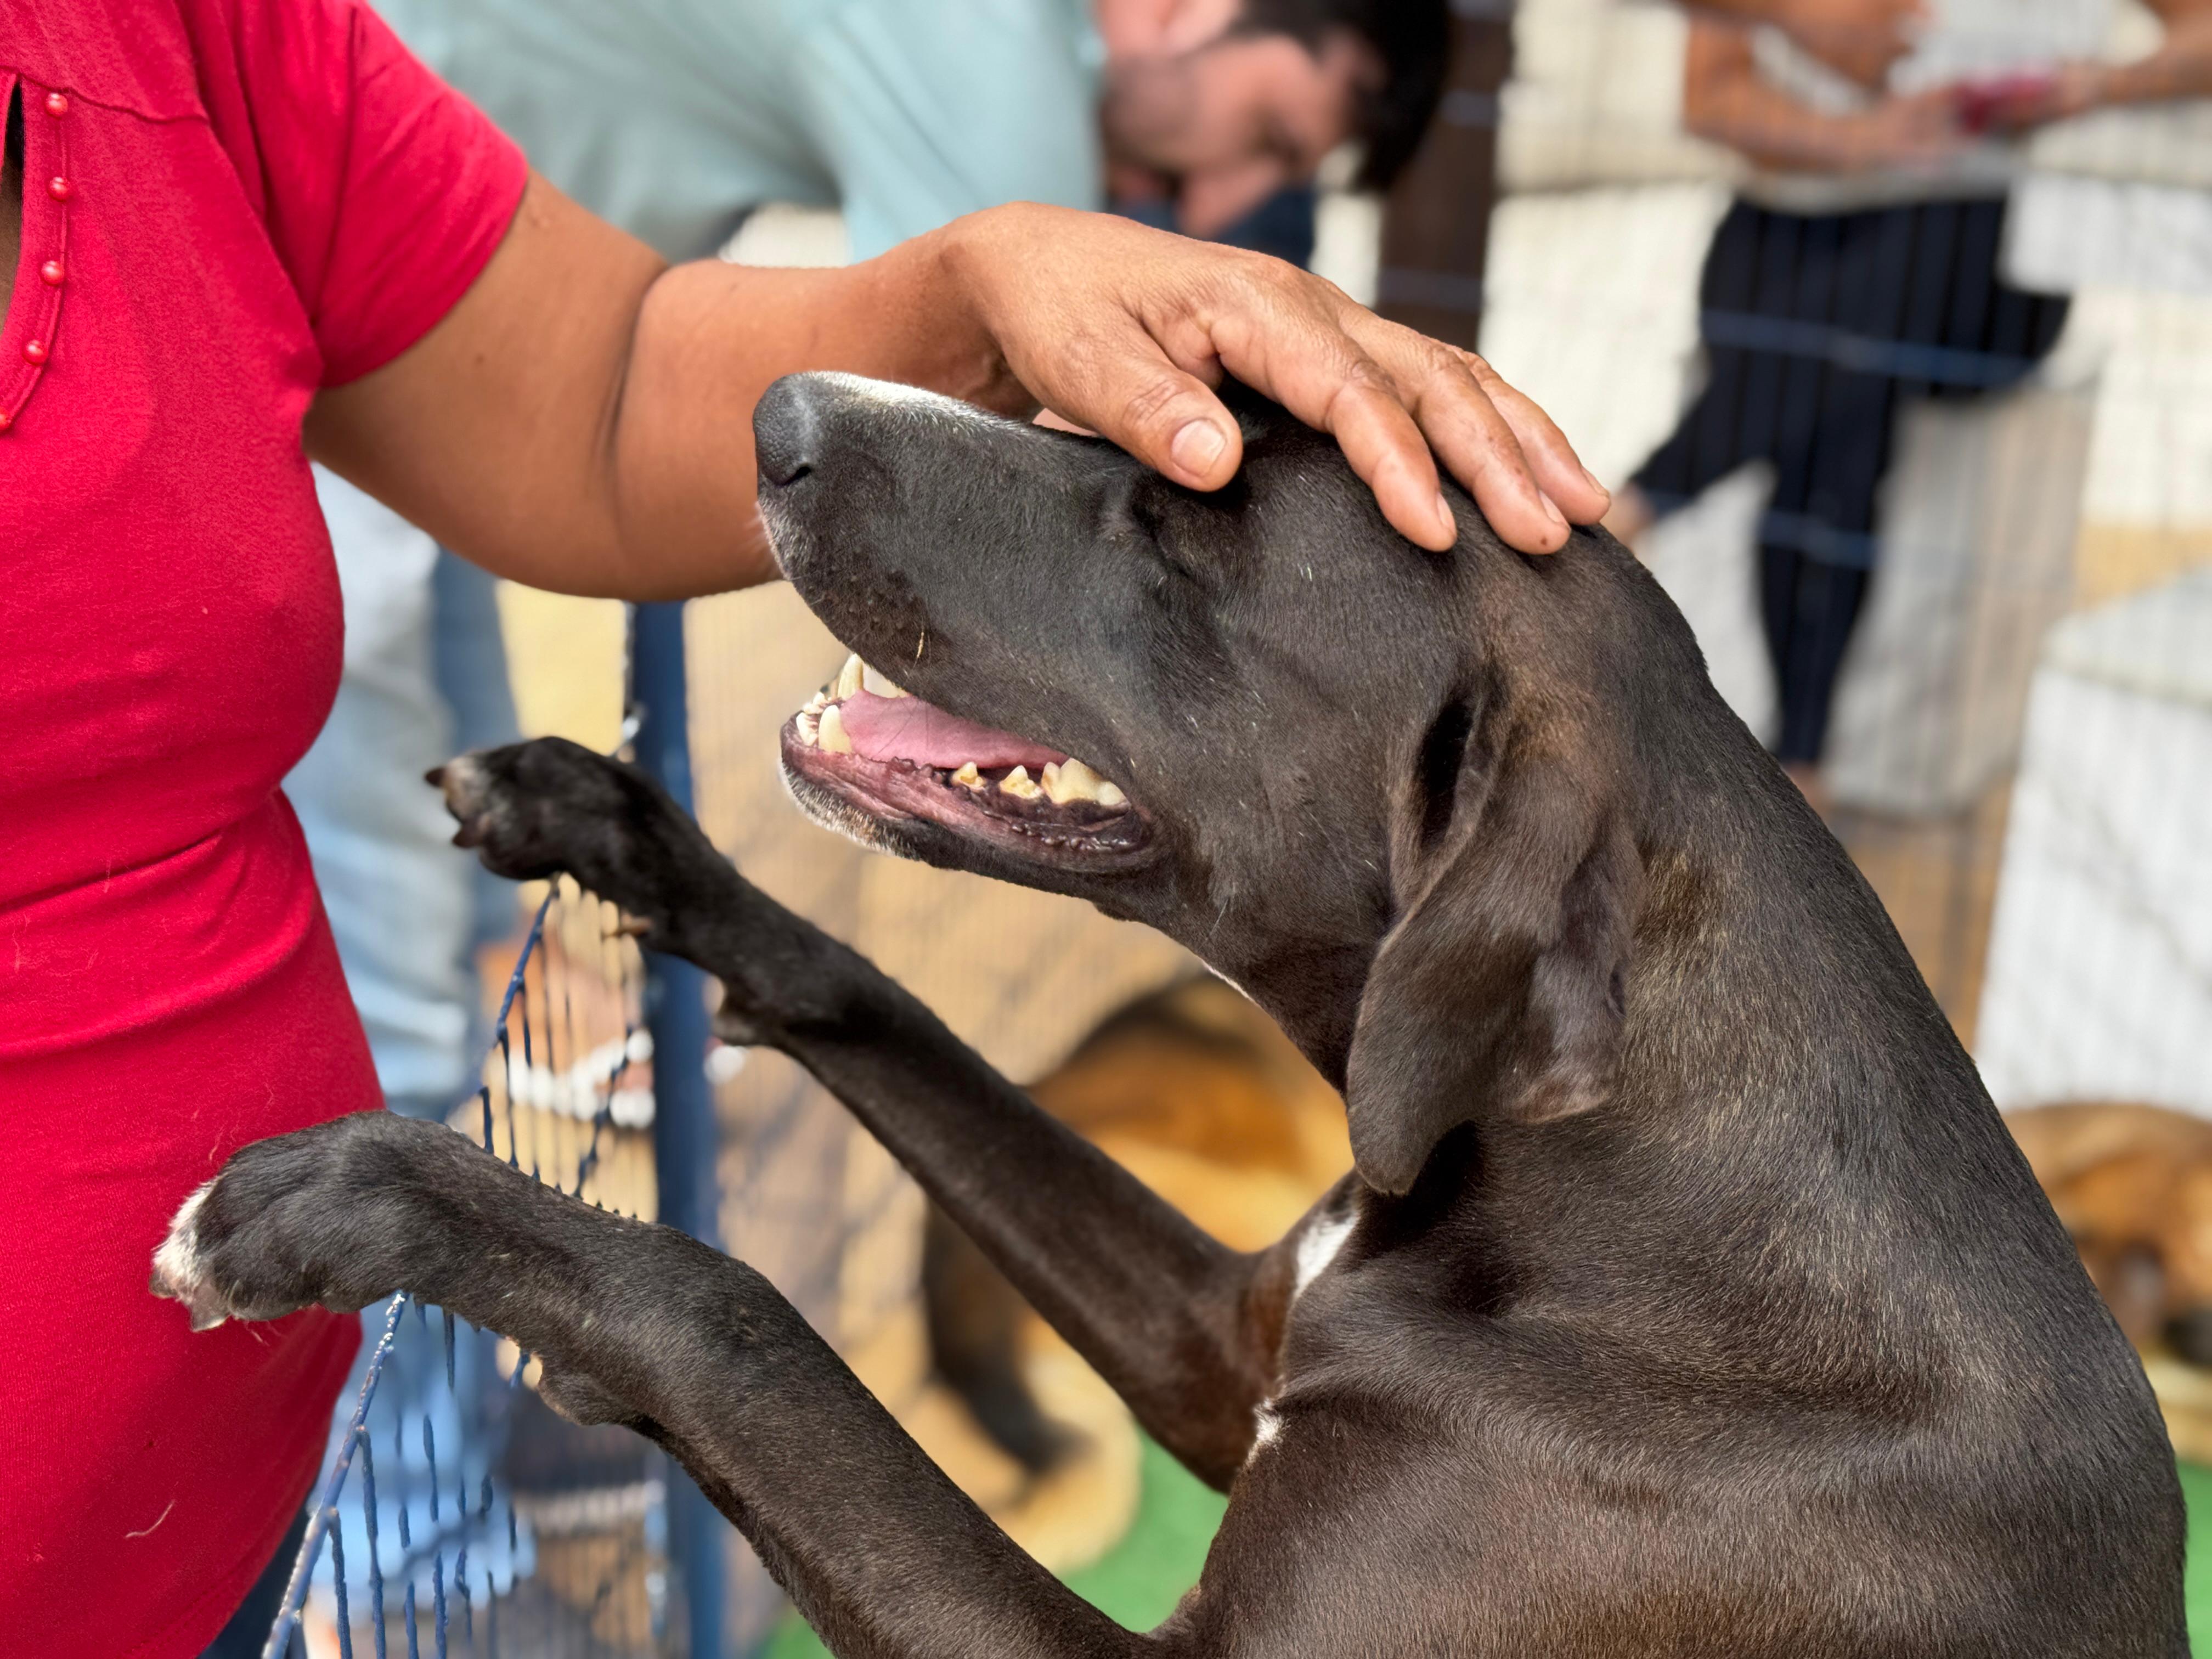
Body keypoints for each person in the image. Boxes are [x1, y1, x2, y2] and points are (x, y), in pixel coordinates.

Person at [0, 3, 1607, 1655]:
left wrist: (982, 283)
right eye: (1267, 132)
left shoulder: (164, 33)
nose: (1226, 195)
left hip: (244, 1505)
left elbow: (602, 377)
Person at [1607, 0, 2212, 795]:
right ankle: (1804, 771)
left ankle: (1640, 503)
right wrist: (1870, 139)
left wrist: (2092, 87)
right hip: (1798, 236)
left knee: (1883, 300)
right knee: (1848, 393)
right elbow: (1709, 99)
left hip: (1974, 265)